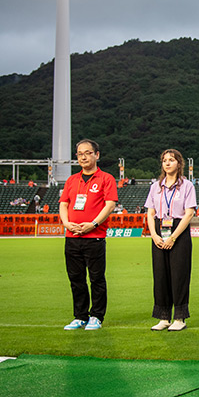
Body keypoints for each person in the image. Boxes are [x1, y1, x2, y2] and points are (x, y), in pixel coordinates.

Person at [59, 139, 118, 331]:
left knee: (96, 279)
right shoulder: (71, 180)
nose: (83, 157)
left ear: (96, 155)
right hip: (72, 237)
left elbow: (110, 204)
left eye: (87, 153)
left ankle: (97, 316)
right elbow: (64, 204)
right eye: (79, 154)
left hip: (95, 237)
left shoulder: (106, 179)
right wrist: (66, 223)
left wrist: (92, 224)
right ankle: (80, 316)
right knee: (76, 279)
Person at [145, 149, 197, 331]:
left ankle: (180, 318)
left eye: (171, 160)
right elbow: (150, 212)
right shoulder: (155, 186)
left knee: (179, 274)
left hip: (178, 231)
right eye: (164, 160)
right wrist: (153, 234)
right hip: (159, 230)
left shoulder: (187, 186)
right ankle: (163, 317)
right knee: (160, 275)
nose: (167, 163)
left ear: (179, 164)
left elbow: (189, 213)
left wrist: (174, 237)